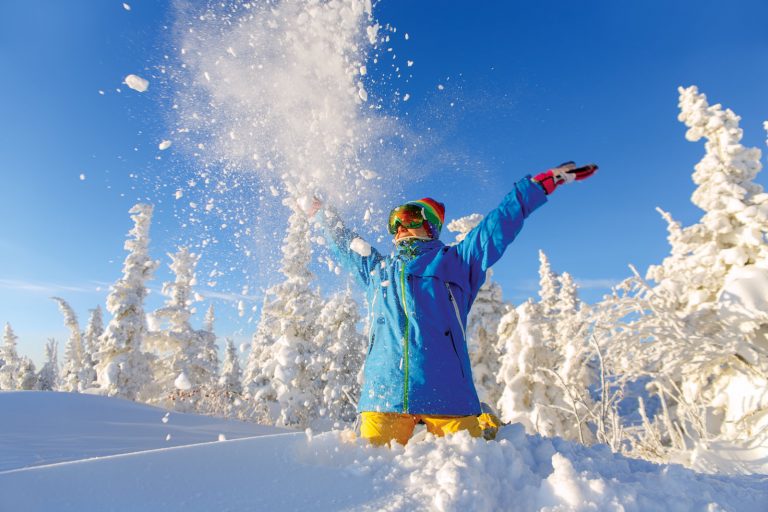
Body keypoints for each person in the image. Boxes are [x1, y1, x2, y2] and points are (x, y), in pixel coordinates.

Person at [308, 161, 597, 445]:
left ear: (430, 226)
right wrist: (319, 214)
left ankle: (483, 422)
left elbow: (497, 226)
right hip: (385, 394)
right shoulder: (377, 270)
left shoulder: (457, 262)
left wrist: (538, 186)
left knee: (470, 461)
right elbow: (343, 242)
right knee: (370, 465)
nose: (400, 226)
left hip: (446, 393)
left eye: (410, 217)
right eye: (395, 221)